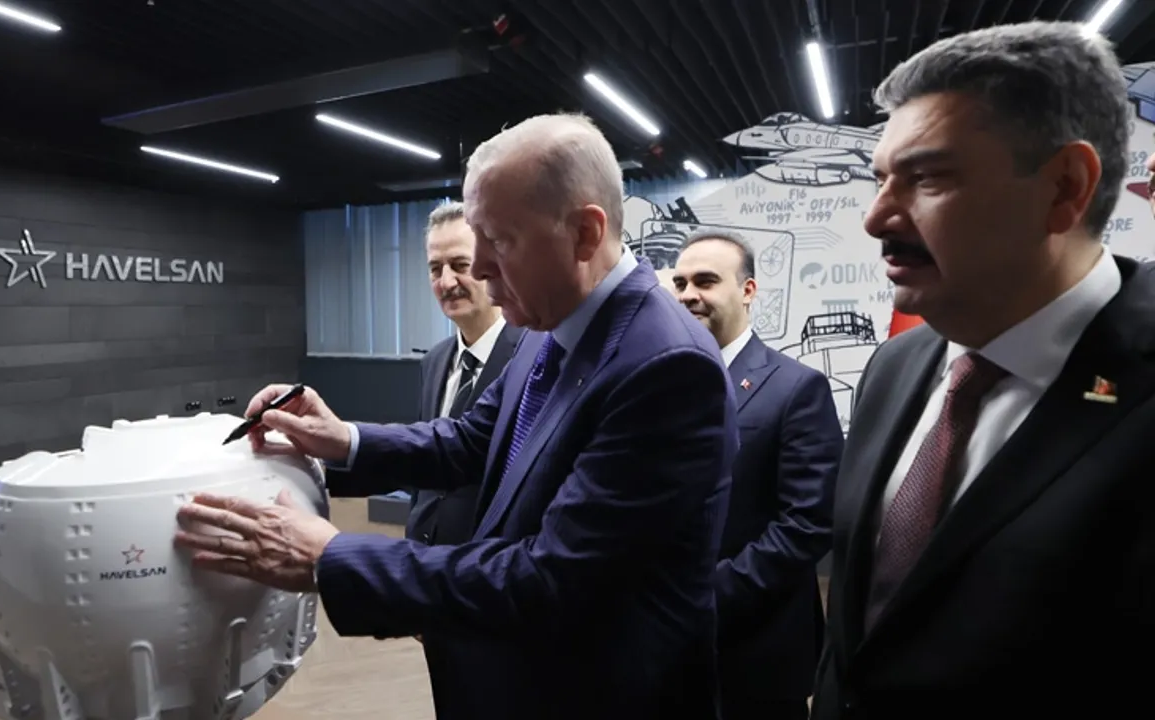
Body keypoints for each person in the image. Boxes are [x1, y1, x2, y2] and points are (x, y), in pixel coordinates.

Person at [174, 112, 737, 720]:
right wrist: (341, 441)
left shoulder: (665, 367)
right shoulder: (553, 322)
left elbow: (550, 579)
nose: (481, 267)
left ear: (584, 233)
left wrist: (331, 556)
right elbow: (470, 440)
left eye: (499, 240)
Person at [811, 21, 1155, 719]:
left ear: (1064, 188)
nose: (876, 219)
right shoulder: (894, 368)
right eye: (880, 180)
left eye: (927, 177)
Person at [672, 230, 843, 720]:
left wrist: (710, 595)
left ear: (748, 290)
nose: (688, 295)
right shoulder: (659, 385)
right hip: (661, 646)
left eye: (706, 281)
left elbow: (809, 521)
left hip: (753, 650)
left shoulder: (796, 388)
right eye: (680, 283)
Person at [406, 200, 523, 547]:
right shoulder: (434, 361)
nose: (446, 282)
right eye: (435, 269)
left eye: (460, 265)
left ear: (491, 264)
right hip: (422, 557)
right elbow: (425, 466)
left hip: (486, 561)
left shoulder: (531, 357)